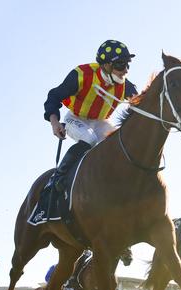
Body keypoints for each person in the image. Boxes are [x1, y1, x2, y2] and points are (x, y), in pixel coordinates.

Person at [43, 40, 138, 192]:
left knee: (118, 143)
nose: (125, 70)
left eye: (128, 64)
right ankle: (58, 179)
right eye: (120, 64)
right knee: (90, 139)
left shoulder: (126, 85)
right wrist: (55, 123)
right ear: (105, 65)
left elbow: (141, 105)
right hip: (75, 118)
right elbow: (53, 97)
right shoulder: (81, 75)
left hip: (101, 122)